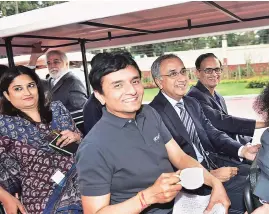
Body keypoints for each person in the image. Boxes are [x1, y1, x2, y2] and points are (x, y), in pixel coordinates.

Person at [76, 51, 230, 214]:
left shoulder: (148, 113)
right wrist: (147, 197)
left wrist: (214, 182)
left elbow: (179, 157)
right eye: (118, 85)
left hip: (180, 205)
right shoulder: (93, 147)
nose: (132, 91)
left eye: (135, 81)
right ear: (99, 95)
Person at [149, 54, 261, 213]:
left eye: (183, 72)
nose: (182, 78)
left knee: (259, 176)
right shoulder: (153, 114)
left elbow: (213, 134)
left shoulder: (191, 103)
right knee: (255, 193)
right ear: (159, 81)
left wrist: (243, 150)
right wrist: (207, 176)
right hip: (193, 187)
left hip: (214, 164)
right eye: (173, 74)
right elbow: (162, 165)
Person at [0, 66, 82, 214]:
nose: (27, 92)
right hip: (43, 200)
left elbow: (85, 147)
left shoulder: (58, 110)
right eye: (18, 89)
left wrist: (77, 137)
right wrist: (5, 197)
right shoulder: (4, 126)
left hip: (85, 189)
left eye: (30, 86)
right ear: (7, 94)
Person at [187, 53, 266, 145]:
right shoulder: (193, 97)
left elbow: (228, 128)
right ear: (197, 73)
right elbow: (221, 121)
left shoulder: (218, 96)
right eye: (208, 70)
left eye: (217, 69)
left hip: (228, 145)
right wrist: (264, 123)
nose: (214, 74)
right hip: (214, 153)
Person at [29, 43, 88, 112]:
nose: (52, 66)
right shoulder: (49, 81)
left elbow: (83, 109)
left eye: (56, 62)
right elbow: (28, 78)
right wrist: (33, 58)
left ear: (66, 63)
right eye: (49, 63)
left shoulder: (73, 82)